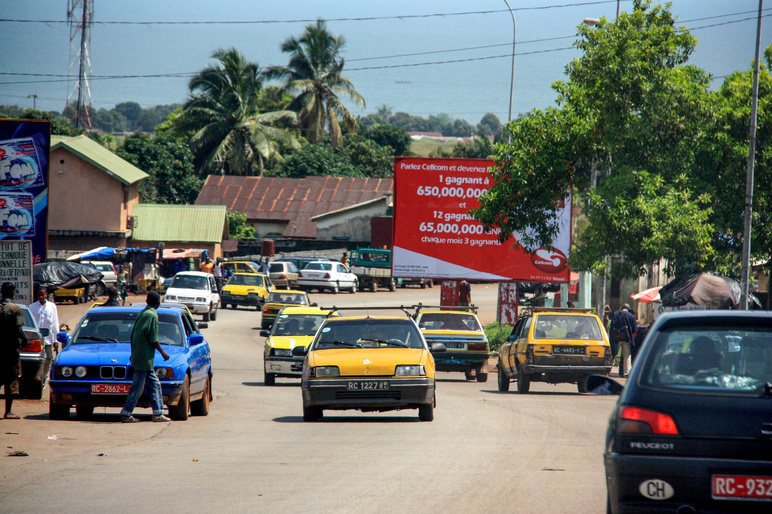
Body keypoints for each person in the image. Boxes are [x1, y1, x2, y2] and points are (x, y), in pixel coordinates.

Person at [120, 291, 170, 423]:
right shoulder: (152, 315)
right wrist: (163, 352)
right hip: (144, 359)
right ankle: (126, 413)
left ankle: (158, 413)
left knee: (155, 385)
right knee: (137, 388)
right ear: (157, 303)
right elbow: (153, 339)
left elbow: (133, 336)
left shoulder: (142, 313)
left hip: (141, 357)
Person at [0, 283, 27, 419]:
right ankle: (8, 411)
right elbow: (18, 330)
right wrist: (26, 340)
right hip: (10, 351)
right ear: (12, 292)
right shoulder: (16, 309)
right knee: (11, 379)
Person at [29, 287, 60, 380]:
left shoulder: (52, 306)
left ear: (46, 294)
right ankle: (37, 376)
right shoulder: (32, 307)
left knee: (49, 358)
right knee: (38, 359)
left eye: (43, 295)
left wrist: (56, 340)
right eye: (39, 295)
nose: (41, 297)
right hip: (37, 339)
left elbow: (55, 323)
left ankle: (44, 375)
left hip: (48, 339)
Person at [610, 303, 637, 378]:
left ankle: (608, 370)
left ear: (622, 308)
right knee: (627, 356)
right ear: (628, 309)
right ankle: (626, 372)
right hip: (627, 338)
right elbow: (634, 328)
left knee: (613, 354)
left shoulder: (616, 314)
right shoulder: (632, 316)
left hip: (617, 338)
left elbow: (612, 325)